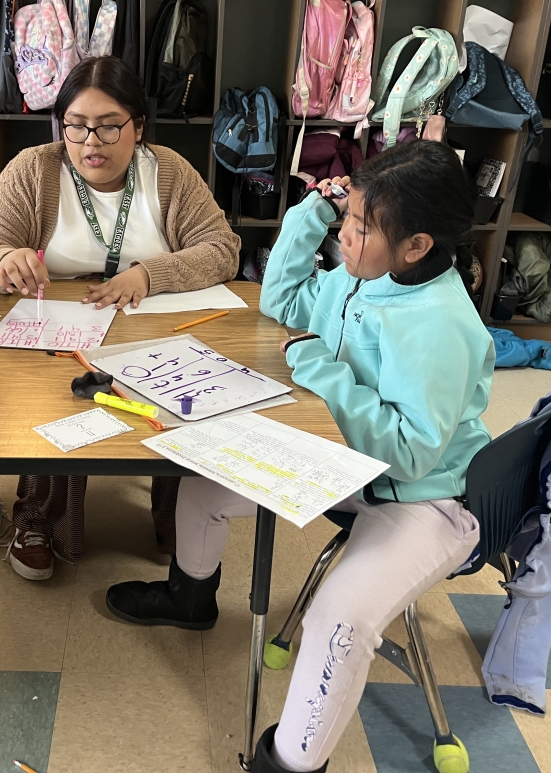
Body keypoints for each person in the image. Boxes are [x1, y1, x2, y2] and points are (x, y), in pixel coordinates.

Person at [104, 141, 495, 773]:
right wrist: (306, 218)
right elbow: (280, 303)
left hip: (427, 496)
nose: (346, 236)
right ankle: (189, 600)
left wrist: (321, 370)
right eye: (347, 217)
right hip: (350, 463)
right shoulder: (367, 275)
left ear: (417, 245)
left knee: (340, 622)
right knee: (203, 488)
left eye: (361, 228)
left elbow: (411, 453)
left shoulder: (442, 325)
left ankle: (286, 763)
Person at [0, 56, 239, 580]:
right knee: (51, 400)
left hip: (150, 325)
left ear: (138, 126)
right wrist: (3, 261)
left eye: (110, 125)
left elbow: (222, 250)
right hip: (62, 327)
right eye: (76, 125)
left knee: (176, 402)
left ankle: (176, 519)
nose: (91, 141)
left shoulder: (171, 172)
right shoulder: (34, 169)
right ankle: (38, 518)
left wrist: (149, 275)